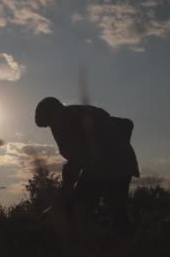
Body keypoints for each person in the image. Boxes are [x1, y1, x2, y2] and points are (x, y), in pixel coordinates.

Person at [35, 97, 139, 231]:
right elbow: (126, 124)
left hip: (104, 167)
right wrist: (119, 148)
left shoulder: (63, 118)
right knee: (117, 212)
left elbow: (76, 157)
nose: (51, 128)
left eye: (48, 124)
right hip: (121, 163)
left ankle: (86, 243)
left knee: (81, 208)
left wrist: (65, 191)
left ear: (50, 114)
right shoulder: (79, 112)